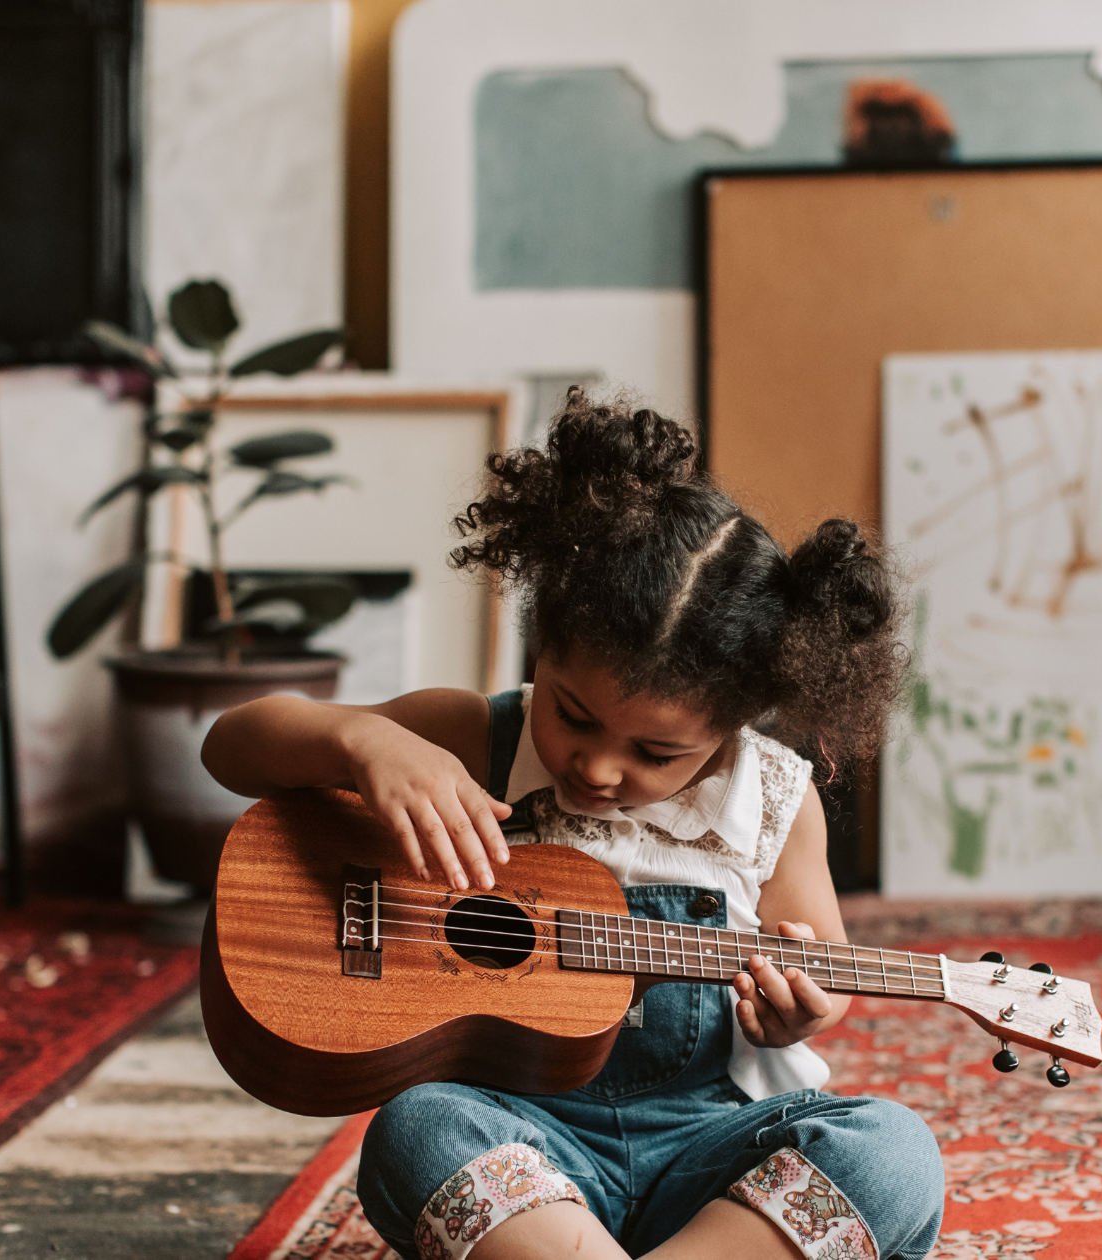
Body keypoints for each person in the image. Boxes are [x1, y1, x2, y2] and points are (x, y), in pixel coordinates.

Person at [203, 391, 944, 1260]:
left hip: (708, 1154)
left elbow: (824, 965)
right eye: (575, 715)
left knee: (892, 1153)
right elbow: (231, 747)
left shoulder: (774, 803)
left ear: (736, 724)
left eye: (656, 752)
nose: (597, 769)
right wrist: (360, 740)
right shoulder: (472, 736)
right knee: (418, 1128)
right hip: (521, 1138)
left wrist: (802, 1015)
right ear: (539, 648)